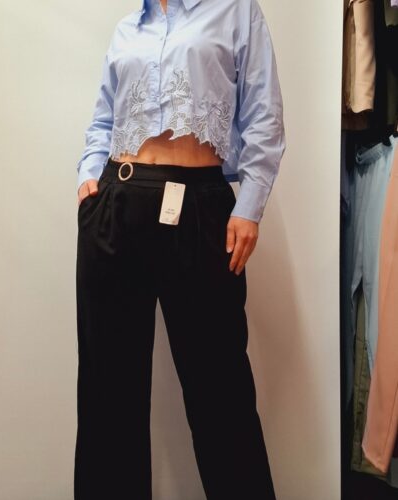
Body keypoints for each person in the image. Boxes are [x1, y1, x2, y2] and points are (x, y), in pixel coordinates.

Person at [74, 0, 286, 498]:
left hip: (199, 208)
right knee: (108, 393)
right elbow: (102, 120)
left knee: (221, 390)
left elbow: (265, 113)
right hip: (116, 203)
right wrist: (88, 177)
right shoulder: (128, 28)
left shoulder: (237, 11)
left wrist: (250, 207)